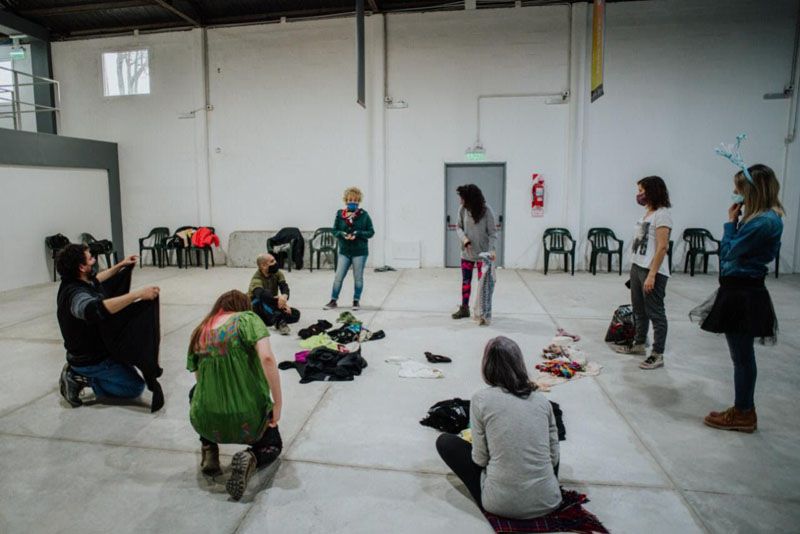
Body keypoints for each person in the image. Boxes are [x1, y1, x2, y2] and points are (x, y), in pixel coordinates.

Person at [694, 164, 783, 433]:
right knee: (740, 356)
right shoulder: (758, 219)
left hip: (744, 293)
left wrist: (729, 224)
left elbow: (729, 252)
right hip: (737, 288)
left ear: (752, 191)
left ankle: (744, 412)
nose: (735, 193)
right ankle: (743, 407)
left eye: (739, 189)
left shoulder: (764, 221)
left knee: (742, 357)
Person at [436, 336, 561, 519]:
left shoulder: (481, 400)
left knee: (446, 442)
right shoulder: (542, 401)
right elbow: (554, 457)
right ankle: (540, 490)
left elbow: (480, 459)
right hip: (550, 500)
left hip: (499, 504)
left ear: (487, 366)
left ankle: (508, 494)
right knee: (548, 442)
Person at [187, 290, 283, 500]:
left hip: (207, 418)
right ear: (243, 306)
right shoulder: (247, 319)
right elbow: (267, 359)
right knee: (273, 446)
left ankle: (210, 451)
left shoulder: (199, 331)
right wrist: (277, 404)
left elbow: (199, 379)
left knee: (194, 392)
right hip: (247, 414)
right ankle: (251, 456)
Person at [56, 243, 162, 410]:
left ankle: (83, 373)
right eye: (90, 258)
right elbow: (93, 310)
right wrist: (137, 295)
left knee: (129, 357)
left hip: (98, 350)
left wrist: (121, 265)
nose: (94, 260)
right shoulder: (76, 295)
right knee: (134, 387)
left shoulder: (77, 280)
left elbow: (97, 279)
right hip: (91, 359)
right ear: (81, 267)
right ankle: (78, 377)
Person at [615, 176, 672, 370]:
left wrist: (652, 274)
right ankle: (639, 344)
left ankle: (657, 353)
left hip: (652, 270)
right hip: (637, 267)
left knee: (655, 313)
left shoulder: (662, 215)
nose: (638, 195)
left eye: (641, 191)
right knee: (639, 310)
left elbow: (662, 247)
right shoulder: (647, 213)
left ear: (652, 192)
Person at [324, 186, 375, 311]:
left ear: (359, 201)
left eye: (356, 200)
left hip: (360, 252)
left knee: (358, 278)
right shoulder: (339, 214)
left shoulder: (364, 215)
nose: (353, 202)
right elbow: (335, 230)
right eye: (351, 200)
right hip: (344, 251)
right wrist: (342, 234)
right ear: (346, 200)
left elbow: (371, 232)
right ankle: (333, 300)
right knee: (338, 277)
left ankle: (356, 301)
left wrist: (358, 233)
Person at [452, 184, 497, 321]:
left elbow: (493, 233)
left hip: (482, 257)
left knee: (483, 285)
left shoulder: (486, 210)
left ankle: (482, 311)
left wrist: (490, 252)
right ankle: (464, 309)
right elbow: (458, 227)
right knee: (466, 282)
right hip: (467, 254)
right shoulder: (462, 209)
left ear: (471, 198)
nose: (460, 201)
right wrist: (464, 239)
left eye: (463, 198)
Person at [248, 253, 301, 335]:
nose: (275, 263)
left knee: (295, 314)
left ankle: (269, 319)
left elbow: (284, 286)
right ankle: (279, 321)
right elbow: (261, 294)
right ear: (263, 266)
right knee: (261, 301)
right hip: (256, 305)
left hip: (271, 303)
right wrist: (278, 301)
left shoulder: (277, 273)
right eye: (272, 261)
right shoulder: (256, 278)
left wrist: (284, 297)